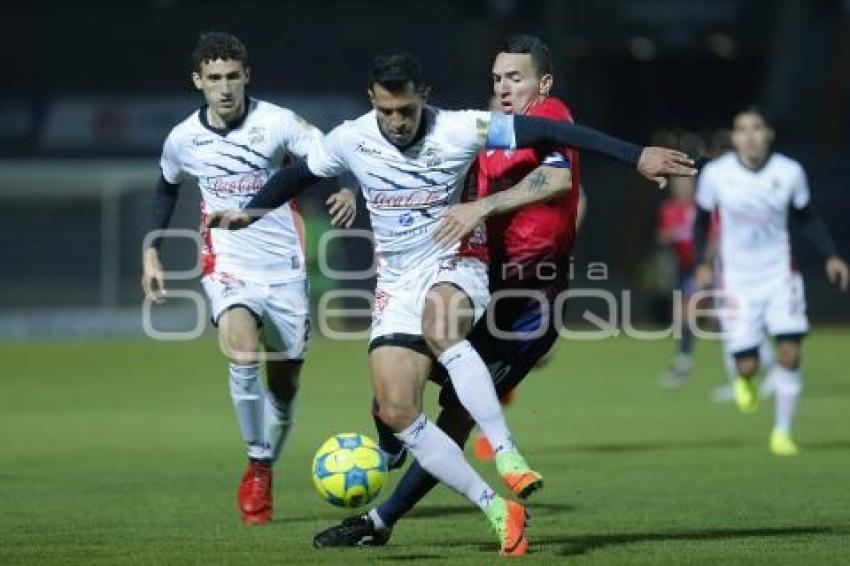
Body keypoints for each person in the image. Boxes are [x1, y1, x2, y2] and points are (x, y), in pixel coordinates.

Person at [208, 50, 694, 554]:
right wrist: (251, 211)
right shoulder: (351, 137)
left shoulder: (462, 128)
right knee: (396, 408)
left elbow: (558, 138)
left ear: (426, 98)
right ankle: (495, 507)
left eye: (406, 111)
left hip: (456, 263)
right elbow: (302, 173)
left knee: (442, 328)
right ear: (372, 102)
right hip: (397, 284)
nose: (396, 123)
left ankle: (506, 451)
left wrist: (635, 154)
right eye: (386, 112)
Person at [313, 34, 597, 548]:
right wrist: (353, 189)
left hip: (525, 304)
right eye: (496, 79)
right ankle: (387, 478)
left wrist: (484, 208)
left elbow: (555, 183)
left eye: (516, 77)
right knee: (402, 399)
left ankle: (386, 517)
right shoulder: (487, 137)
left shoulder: (551, 116)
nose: (504, 88)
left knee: (455, 415)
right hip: (483, 284)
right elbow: (398, 166)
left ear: (543, 83)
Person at [140, 31, 354, 524]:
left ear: (246, 76)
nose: (225, 87)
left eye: (233, 76)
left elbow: (326, 153)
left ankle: (272, 441)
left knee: (285, 380)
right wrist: (150, 253)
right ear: (198, 81)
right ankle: (259, 464)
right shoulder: (182, 138)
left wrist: (343, 189)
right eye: (214, 78)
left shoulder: (277, 123)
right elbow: (164, 190)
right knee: (240, 349)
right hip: (227, 265)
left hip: (284, 271)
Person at [693, 106, 849, 455]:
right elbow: (701, 222)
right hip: (736, 281)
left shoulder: (789, 172)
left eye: (756, 128)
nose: (749, 135)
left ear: (768, 134)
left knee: (790, 350)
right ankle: (745, 378)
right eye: (741, 129)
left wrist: (831, 256)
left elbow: (806, 217)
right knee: (747, 363)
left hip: (781, 276)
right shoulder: (717, 174)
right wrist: (703, 263)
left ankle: (783, 431)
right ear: (734, 138)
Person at [657, 176, 697, 387]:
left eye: (686, 184)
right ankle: (683, 361)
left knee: (725, 317)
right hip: (684, 268)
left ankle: (683, 362)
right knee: (682, 315)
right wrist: (673, 234)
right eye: (678, 185)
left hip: (706, 266)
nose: (682, 188)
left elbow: (715, 235)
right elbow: (663, 236)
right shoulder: (669, 208)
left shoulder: (702, 207)